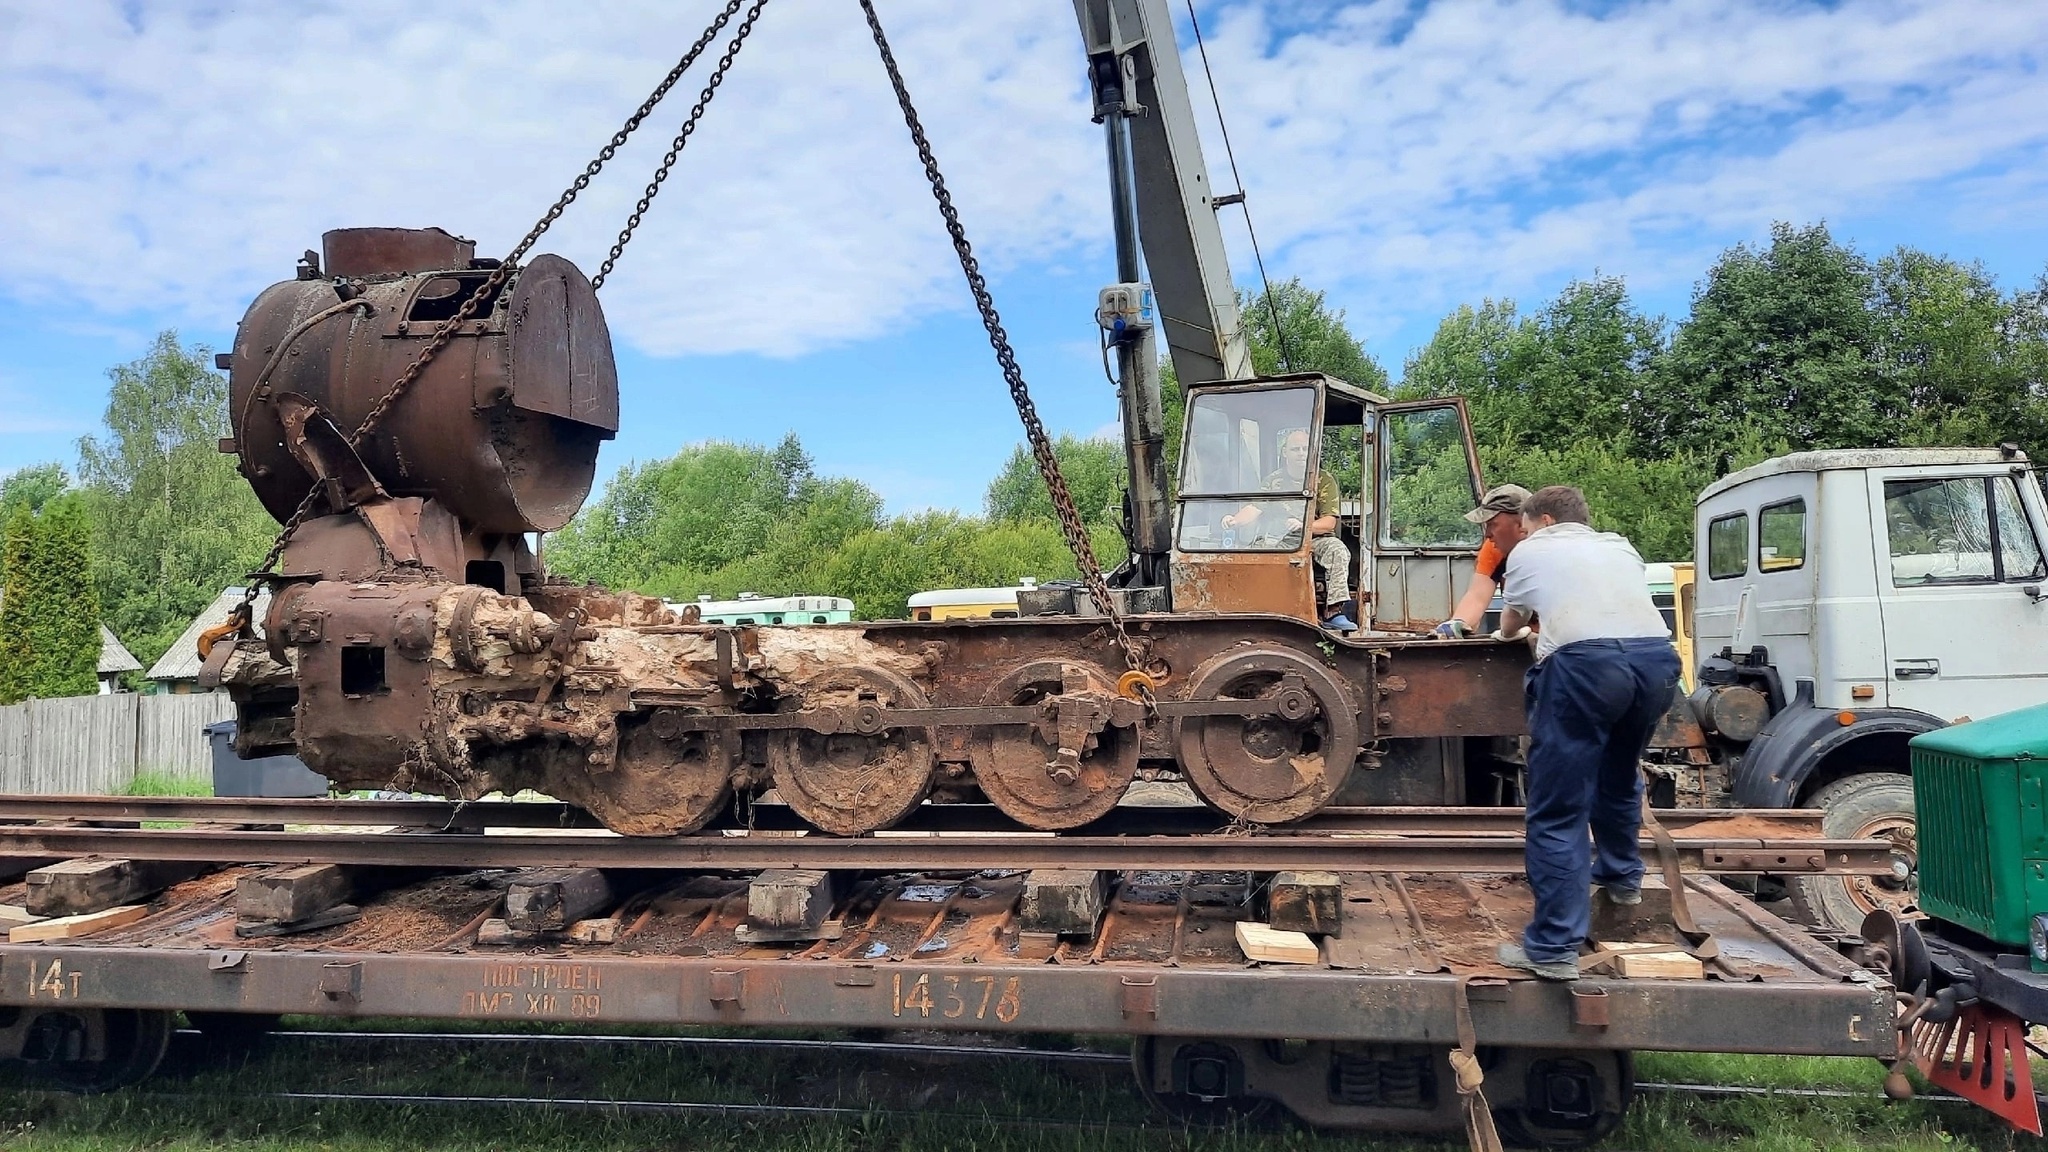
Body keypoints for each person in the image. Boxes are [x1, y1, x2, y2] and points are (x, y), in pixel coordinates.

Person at [1492, 485, 1679, 982]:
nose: (1525, 535)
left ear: (1545, 521)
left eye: (1528, 527)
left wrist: (1520, 631)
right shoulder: (1619, 545)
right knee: (1619, 774)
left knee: (1558, 809)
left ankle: (1553, 948)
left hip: (1586, 668)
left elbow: (1511, 625)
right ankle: (1622, 878)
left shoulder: (1532, 549)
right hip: (1656, 663)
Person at [1220, 428, 1356, 631]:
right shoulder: (1274, 481)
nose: (1301, 453)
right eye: (1295, 449)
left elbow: (1329, 522)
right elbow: (1255, 507)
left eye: (1305, 449)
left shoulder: (1324, 480)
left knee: (1338, 551)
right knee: (1257, 550)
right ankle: (1261, 609)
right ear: (1285, 453)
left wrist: (1305, 526)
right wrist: (1233, 520)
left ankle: (1333, 613)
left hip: (1315, 537)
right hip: (1281, 538)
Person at [1435, 484, 1532, 638]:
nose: (1487, 534)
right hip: (1517, 637)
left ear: (1521, 524)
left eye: (1493, 524)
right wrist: (1456, 624)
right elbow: (1477, 596)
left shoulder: (1554, 549)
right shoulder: (1494, 548)